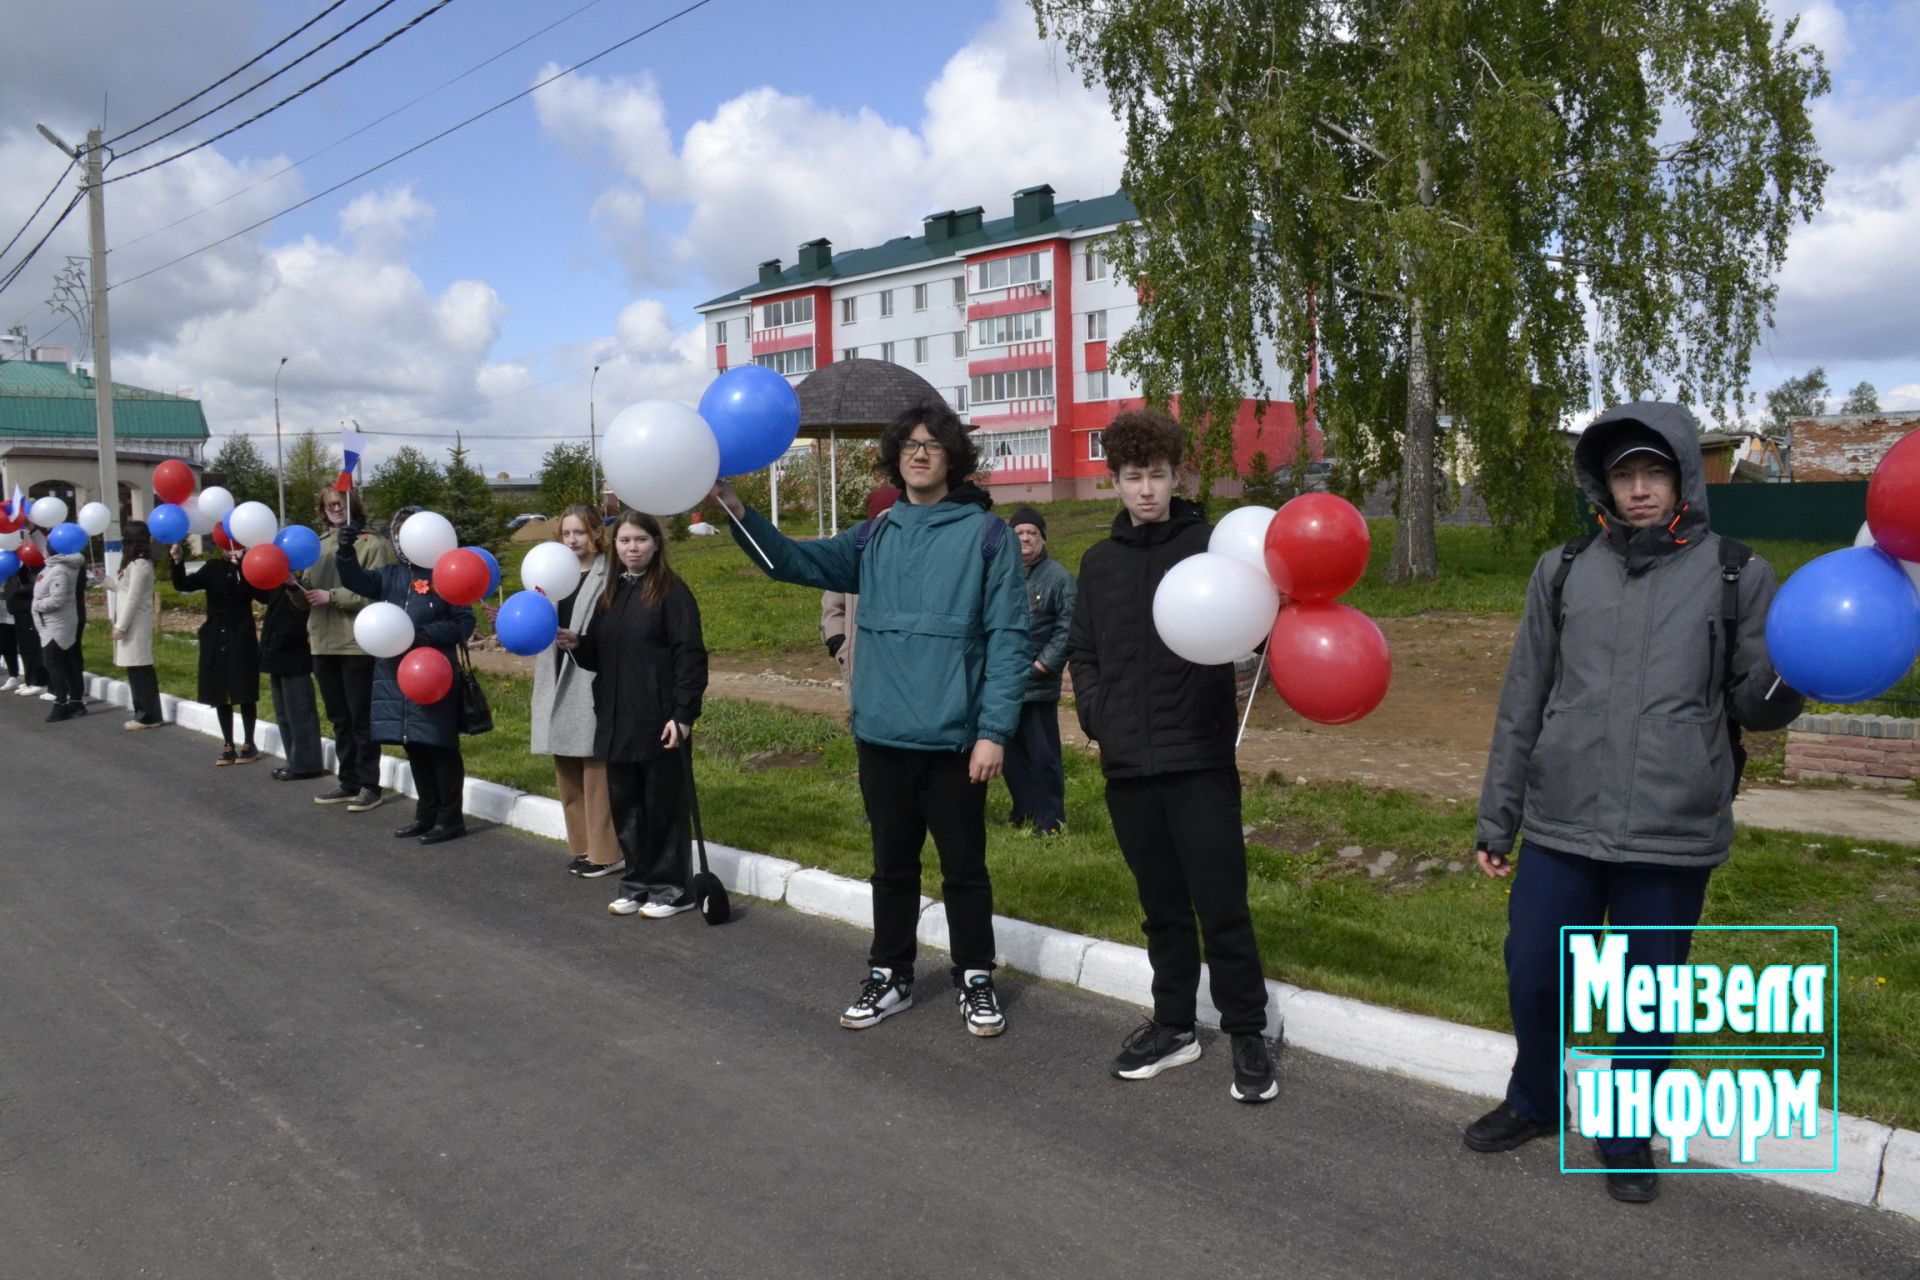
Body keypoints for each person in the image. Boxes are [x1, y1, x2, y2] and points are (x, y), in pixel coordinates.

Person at [1464, 403, 1805, 1204]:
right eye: (1625, 474)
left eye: (1655, 472)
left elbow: (1757, 702)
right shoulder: (1562, 569)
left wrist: (1796, 676)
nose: (1641, 489)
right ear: (1603, 484)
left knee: (1646, 993)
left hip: (1671, 824)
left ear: (1684, 476)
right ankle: (1536, 1102)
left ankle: (1625, 1135)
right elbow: (1524, 699)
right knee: (1535, 972)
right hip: (1562, 817)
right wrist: (1497, 815)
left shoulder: (1737, 572)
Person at [707, 397, 1031, 1038]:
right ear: (894, 458)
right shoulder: (874, 536)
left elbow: (1010, 641)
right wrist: (738, 511)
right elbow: (791, 563)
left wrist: (993, 733)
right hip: (881, 735)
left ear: (952, 458)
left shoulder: (987, 538)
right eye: (909, 445)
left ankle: (975, 977)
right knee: (892, 865)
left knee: (965, 868)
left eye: (932, 445)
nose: (918, 453)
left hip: (955, 740)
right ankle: (891, 974)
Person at [1066, 409, 1278, 1103]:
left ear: (1178, 474)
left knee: (1221, 904)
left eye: (1158, 475)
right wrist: (1098, 717)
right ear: (1116, 482)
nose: (1148, 490)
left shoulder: (1213, 548)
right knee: (1160, 907)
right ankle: (1175, 1024)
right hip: (1128, 763)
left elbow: (1257, 625)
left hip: (1200, 758)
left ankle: (1248, 1030)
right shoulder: (1098, 564)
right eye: (1133, 477)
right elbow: (1086, 652)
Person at [570, 510, 708, 916]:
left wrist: (683, 715)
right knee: (627, 805)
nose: (631, 548)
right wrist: (576, 642)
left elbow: (691, 657)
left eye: (640, 540)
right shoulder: (612, 594)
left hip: (659, 719)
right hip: (616, 719)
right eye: (624, 541)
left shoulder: (672, 593)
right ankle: (636, 882)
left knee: (662, 805)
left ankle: (672, 888)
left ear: (656, 543)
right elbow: (598, 655)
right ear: (614, 546)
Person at [334, 506, 476, 845]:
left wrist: (426, 635)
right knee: (414, 745)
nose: (402, 537)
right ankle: (425, 815)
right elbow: (355, 580)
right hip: (396, 675)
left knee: (439, 745)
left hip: (434, 673)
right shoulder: (390, 575)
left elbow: (464, 623)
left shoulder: (448, 574)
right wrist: (344, 550)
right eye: (398, 531)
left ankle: (450, 818)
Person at [529, 504, 623, 878]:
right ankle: (583, 846)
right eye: (566, 533)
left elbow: (616, 625)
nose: (572, 540)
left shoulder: (610, 574)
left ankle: (607, 852)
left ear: (596, 534)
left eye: (579, 532)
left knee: (594, 766)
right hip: (555, 672)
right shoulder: (551, 574)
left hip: (588, 673)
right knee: (566, 765)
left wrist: (582, 640)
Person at [306, 488, 395, 812]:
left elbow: (376, 592)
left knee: (361, 718)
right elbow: (304, 597)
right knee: (339, 717)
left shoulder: (371, 544)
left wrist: (333, 596)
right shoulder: (314, 547)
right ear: (322, 510)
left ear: (351, 506)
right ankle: (348, 781)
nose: (334, 509)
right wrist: (291, 585)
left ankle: (370, 785)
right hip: (322, 642)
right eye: (329, 505)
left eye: (340, 504)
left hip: (358, 643)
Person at [1003, 506, 1076, 837]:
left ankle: (1051, 820)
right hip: (1005, 682)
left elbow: (1068, 627)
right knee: (1011, 755)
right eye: (1019, 533)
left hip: (1037, 682)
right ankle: (1024, 811)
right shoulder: (1001, 575)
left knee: (1044, 755)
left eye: (1032, 532)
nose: (1025, 538)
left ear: (1043, 538)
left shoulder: (1059, 578)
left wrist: (1043, 664)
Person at [170, 538, 262, 764]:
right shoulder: (213, 568)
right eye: (228, 546)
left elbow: (263, 595)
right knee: (220, 691)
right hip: (215, 635)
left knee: (244, 689)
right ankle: (228, 743)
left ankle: (249, 743)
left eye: (238, 546)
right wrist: (178, 561)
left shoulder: (250, 569)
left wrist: (244, 564)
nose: (232, 551)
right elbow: (184, 584)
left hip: (240, 635)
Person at [818, 485, 903, 705]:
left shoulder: (912, 560)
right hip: (858, 657)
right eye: (882, 519)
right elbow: (832, 605)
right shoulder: (856, 558)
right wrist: (837, 641)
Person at [252, 569, 327, 780]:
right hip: (277, 656)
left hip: (293, 656)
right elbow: (261, 594)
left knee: (300, 713)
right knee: (284, 714)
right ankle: (294, 760)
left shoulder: (303, 584)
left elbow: (300, 615)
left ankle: (307, 765)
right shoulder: (279, 584)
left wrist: (292, 584)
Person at [112, 520, 164, 730]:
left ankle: (148, 715)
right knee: (135, 670)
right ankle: (143, 713)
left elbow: (133, 598)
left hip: (135, 624)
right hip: (130, 623)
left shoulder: (141, 564)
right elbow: (124, 590)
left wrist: (121, 626)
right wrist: (106, 580)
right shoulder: (134, 563)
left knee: (141, 669)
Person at [32, 540, 87, 723]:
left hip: (58, 624)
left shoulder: (60, 570)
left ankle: (61, 703)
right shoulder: (53, 567)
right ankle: (75, 701)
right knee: (66, 662)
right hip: (51, 623)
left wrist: (37, 604)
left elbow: (57, 600)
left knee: (54, 663)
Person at [5, 540, 49, 696]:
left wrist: (19, 590)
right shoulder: (14, 566)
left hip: (28, 610)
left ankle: (39, 680)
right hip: (17, 611)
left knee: (33, 647)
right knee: (24, 647)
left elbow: (35, 587)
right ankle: (30, 679)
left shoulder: (33, 566)